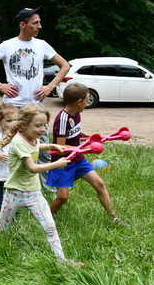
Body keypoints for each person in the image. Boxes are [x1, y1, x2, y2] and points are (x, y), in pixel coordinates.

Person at [0, 104, 83, 267]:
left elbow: (34, 146)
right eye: (38, 125)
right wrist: (56, 164)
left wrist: (51, 146)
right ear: (24, 125)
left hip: (34, 193)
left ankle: (62, 261)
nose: (43, 129)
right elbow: (32, 168)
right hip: (14, 193)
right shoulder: (18, 142)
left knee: (50, 227)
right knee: (3, 225)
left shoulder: (31, 137)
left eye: (45, 125)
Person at [0, 7, 71, 187]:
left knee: (41, 147)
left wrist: (49, 87)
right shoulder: (7, 45)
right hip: (12, 106)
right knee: (12, 146)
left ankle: (45, 188)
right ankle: (12, 185)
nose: (39, 26)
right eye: (35, 23)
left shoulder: (42, 45)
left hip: (36, 106)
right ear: (23, 24)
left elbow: (65, 65)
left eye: (39, 22)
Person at [46, 83, 122, 223]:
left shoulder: (77, 113)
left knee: (99, 184)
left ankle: (114, 218)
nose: (87, 102)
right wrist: (87, 148)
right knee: (62, 197)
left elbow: (74, 131)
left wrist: (86, 137)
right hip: (63, 162)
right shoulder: (62, 119)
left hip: (78, 159)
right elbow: (61, 146)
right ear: (79, 102)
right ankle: (46, 219)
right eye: (87, 99)